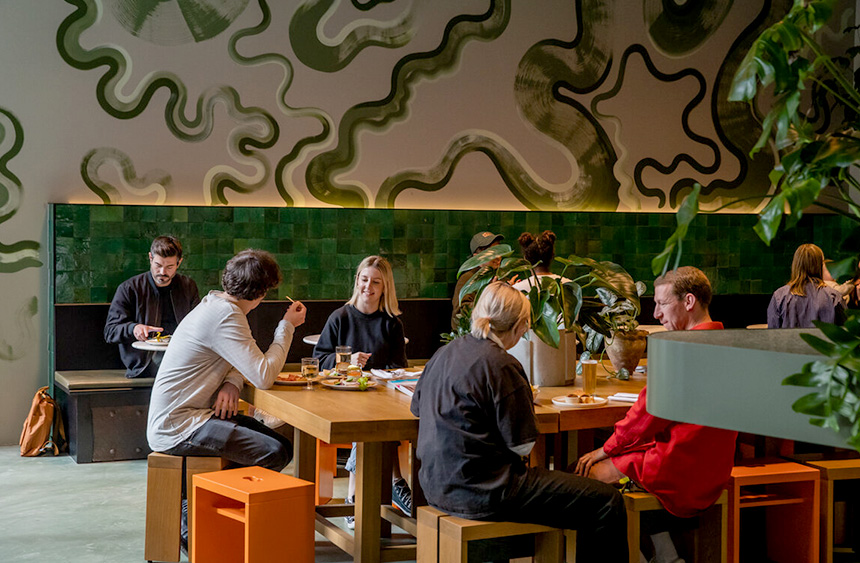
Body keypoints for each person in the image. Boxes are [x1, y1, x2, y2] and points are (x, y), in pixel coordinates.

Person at [414, 281, 628, 562]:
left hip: (436, 486)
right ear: (519, 326)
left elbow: (418, 407)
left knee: (571, 488)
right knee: (606, 501)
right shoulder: (502, 363)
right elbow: (522, 445)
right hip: (487, 490)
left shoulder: (445, 352)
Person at [146, 249, 307, 551]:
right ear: (260, 292)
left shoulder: (216, 304)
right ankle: (194, 511)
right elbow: (263, 374)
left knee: (283, 447)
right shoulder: (227, 316)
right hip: (179, 425)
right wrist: (287, 327)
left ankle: (204, 504)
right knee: (273, 452)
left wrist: (232, 382)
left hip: (191, 415)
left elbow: (237, 359)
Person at [575, 266, 738, 563]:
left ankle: (631, 557)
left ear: (689, 301)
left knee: (585, 477)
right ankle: (666, 554)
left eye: (662, 303)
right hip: (714, 471)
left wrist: (604, 449)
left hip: (678, 469)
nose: (656, 314)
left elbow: (645, 417)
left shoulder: (681, 351)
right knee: (622, 462)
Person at [312, 255, 410, 527]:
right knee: (369, 425)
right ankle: (393, 485)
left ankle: (356, 499)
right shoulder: (340, 317)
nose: (369, 286)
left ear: (385, 286)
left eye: (376, 282)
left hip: (379, 400)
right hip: (341, 398)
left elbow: (398, 368)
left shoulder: (392, 323)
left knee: (379, 421)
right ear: (357, 281)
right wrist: (346, 361)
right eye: (364, 279)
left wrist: (382, 375)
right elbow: (317, 360)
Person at [104, 236, 200, 378]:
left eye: (169, 267)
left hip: (182, 354)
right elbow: (110, 331)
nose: (162, 272)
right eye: (158, 265)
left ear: (179, 262)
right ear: (150, 258)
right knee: (174, 365)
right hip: (145, 361)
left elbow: (198, 325)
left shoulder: (188, 287)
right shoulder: (130, 288)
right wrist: (134, 328)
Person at [767, 243, 846, 328]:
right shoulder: (834, 297)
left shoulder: (779, 296)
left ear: (795, 264)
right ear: (820, 265)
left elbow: (773, 331)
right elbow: (846, 331)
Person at [451, 231, 504, 331]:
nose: (498, 257)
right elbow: (461, 313)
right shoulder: (468, 279)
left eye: (499, 251)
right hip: (474, 335)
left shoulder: (503, 276)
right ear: (476, 257)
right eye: (492, 252)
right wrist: (488, 295)